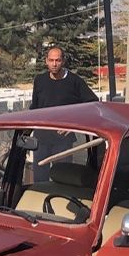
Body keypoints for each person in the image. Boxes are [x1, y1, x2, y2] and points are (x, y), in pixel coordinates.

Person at [29, 47, 100, 182]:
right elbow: (35, 107)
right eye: (51, 60)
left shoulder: (74, 81)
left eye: (57, 60)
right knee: (39, 181)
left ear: (63, 61)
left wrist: (74, 125)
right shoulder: (39, 80)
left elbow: (93, 104)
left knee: (62, 180)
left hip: (62, 142)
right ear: (46, 61)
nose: (54, 64)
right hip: (41, 140)